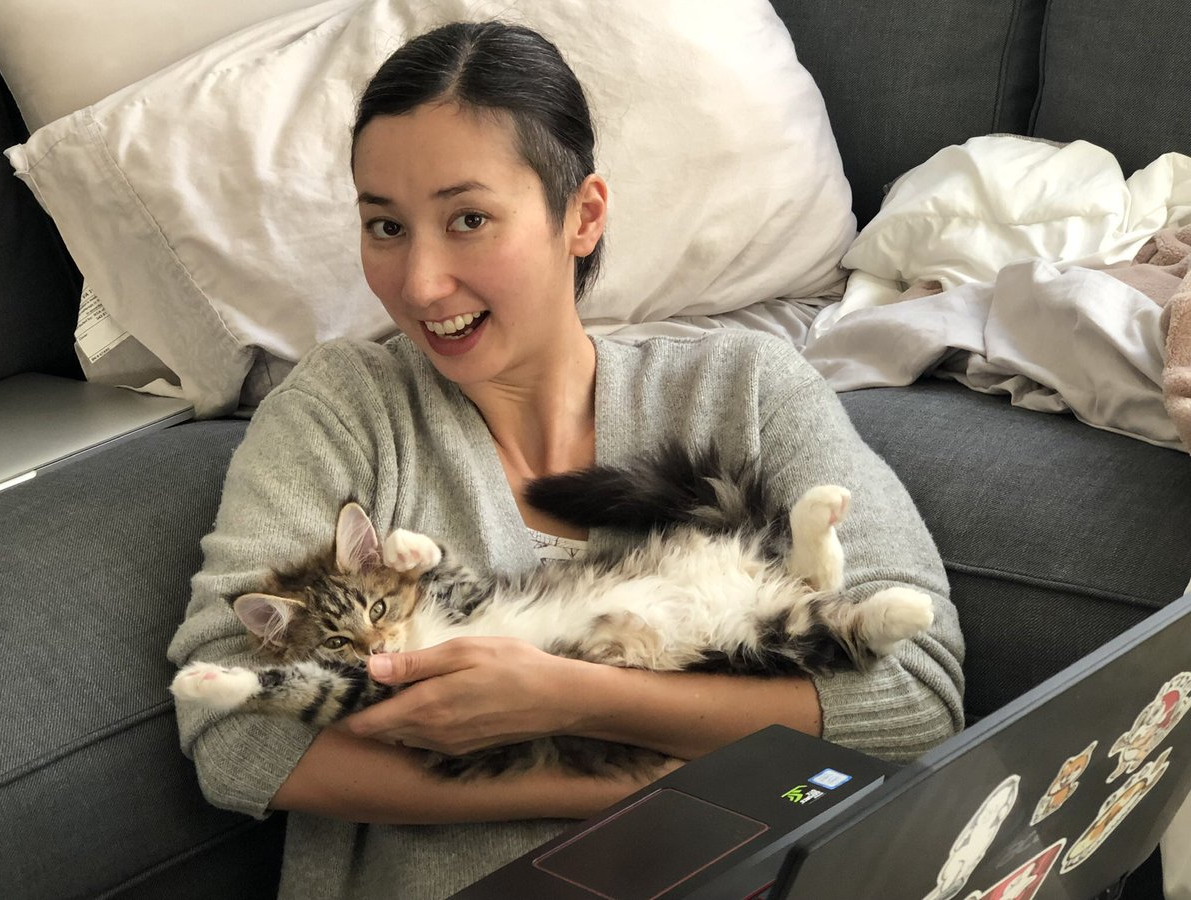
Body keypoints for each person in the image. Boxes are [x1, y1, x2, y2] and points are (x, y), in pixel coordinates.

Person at [168, 20, 964, 899]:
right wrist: (625, 783)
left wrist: (575, 701)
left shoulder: (745, 388)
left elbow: (912, 701)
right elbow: (234, 736)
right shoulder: (339, 413)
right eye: (385, 226)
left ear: (581, 216)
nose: (421, 282)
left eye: (468, 218)